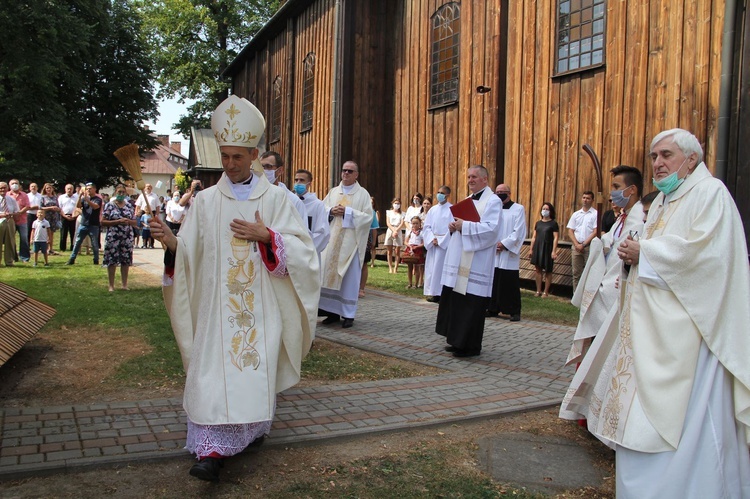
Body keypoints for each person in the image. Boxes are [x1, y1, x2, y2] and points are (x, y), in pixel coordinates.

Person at [560, 128, 750, 497]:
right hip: (650, 336)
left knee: (689, 430)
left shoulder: (711, 195)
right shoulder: (663, 202)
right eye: (654, 157)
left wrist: (644, 254)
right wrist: (635, 258)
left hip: (693, 340)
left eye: (666, 155)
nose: (658, 163)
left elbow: (708, 260)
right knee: (638, 428)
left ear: (691, 159)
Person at [149, 94, 318, 482]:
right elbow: (192, 253)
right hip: (215, 311)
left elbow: (304, 253)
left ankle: (250, 429)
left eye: (237, 157)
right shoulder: (206, 201)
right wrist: (171, 243)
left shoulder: (278, 199)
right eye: (224, 156)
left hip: (261, 308)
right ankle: (210, 451)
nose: (229, 164)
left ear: (254, 154)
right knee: (210, 376)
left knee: (250, 374)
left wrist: (268, 236)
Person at [566, 165, 644, 366]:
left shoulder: (640, 221)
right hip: (604, 286)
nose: (613, 193)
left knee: (609, 350)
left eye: (617, 187)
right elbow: (608, 242)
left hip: (616, 289)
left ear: (632, 190)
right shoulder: (622, 219)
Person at [436, 165, 502, 357]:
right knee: (458, 300)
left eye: (474, 177)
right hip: (460, 259)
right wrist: (453, 226)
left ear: (485, 179)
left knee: (471, 303)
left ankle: (470, 346)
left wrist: (464, 225)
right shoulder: (466, 200)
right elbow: (462, 223)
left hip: (477, 261)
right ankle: (457, 341)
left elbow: (491, 230)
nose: (470, 180)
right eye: (469, 177)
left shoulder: (493, 201)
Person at [319, 161, 373, 329]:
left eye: (350, 171)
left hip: (351, 245)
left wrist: (348, 212)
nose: (346, 173)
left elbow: (367, 218)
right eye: (344, 170)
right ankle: (331, 312)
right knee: (328, 275)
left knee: (349, 279)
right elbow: (321, 208)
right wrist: (330, 211)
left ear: (356, 174)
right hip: (332, 241)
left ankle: (348, 314)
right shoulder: (334, 191)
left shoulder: (363, 194)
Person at [486, 184, 527, 322]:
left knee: (509, 282)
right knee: (494, 280)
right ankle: (492, 308)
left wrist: (504, 244)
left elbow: (519, 230)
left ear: (509, 193)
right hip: (494, 250)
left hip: (508, 251)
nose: (500, 194)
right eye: (497, 192)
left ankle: (513, 311)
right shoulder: (492, 210)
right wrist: (493, 244)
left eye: (502, 192)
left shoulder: (518, 209)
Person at [101, 185, 136, 291]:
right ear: (115, 193)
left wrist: (128, 221)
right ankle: (111, 285)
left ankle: (124, 284)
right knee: (112, 260)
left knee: (126, 260)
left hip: (127, 236)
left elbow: (135, 222)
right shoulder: (109, 206)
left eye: (123, 192)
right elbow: (103, 222)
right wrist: (117, 221)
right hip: (113, 236)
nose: (121, 194)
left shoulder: (129, 206)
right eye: (119, 192)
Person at [260, 151, 308, 224]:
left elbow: (302, 232)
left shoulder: (293, 201)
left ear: (279, 171)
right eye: (260, 167)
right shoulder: (251, 195)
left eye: (268, 167)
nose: (263, 170)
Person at [423, 186, 452, 302]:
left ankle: (442, 294)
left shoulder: (451, 209)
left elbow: (452, 228)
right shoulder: (433, 210)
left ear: (447, 195)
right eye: (438, 192)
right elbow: (427, 226)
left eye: (442, 193)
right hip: (433, 241)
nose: (439, 195)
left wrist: (440, 241)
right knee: (431, 268)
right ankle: (433, 292)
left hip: (443, 244)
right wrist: (431, 239)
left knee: (441, 269)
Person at [292, 169, 330, 259]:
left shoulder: (317, 205)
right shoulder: (289, 201)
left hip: (309, 253)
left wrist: (306, 248)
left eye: (302, 180)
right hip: (290, 251)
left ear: (309, 183)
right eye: (296, 180)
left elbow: (323, 232)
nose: (298, 183)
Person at [566, 191, 597, 291]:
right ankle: (576, 295)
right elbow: (570, 230)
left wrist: (583, 244)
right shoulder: (576, 214)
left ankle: (585, 296)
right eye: (584, 197)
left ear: (592, 200)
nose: (585, 200)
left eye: (588, 198)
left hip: (588, 246)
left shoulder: (595, 214)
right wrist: (576, 244)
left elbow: (595, 231)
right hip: (576, 247)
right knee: (576, 273)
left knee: (588, 272)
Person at [66, 182, 102, 265]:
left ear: (94, 189)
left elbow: (95, 206)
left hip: (93, 225)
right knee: (78, 242)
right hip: (84, 223)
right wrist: (79, 196)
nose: (88, 190)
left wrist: (87, 200)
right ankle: (72, 259)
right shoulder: (84, 198)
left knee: (94, 244)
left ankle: (96, 260)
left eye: (90, 189)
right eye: (87, 189)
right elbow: (78, 206)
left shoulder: (98, 199)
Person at [529, 202, 559, 297]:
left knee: (548, 270)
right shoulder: (538, 223)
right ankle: (538, 290)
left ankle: (546, 291)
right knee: (538, 269)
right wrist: (531, 249)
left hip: (548, 247)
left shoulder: (553, 223)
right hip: (538, 247)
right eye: (543, 209)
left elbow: (556, 238)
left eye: (547, 209)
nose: (545, 211)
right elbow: (534, 237)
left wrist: (554, 251)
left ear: (550, 211)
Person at [359, 196, 380, 297]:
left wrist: (374, 241)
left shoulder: (371, 212)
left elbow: (374, 228)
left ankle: (361, 288)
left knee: (363, 264)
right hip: (352, 240)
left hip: (365, 240)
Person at [8, 179, 30, 262]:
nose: (14, 185)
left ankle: (24, 257)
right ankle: (13, 257)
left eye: (16, 183)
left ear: (19, 184)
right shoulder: (7, 195)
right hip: (10, 220)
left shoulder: (24, 195)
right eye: (12, 183)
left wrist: (19, 213)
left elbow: (27, 206)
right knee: (11, 239)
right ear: (9, 186)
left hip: (22, 220)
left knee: (24, 239)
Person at [403, 216, 425, 288]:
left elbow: (424, 243)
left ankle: (416, 284)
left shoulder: (422, 232)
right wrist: (409, 246)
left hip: (418, 249)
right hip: (410, 249)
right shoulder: (410, 232)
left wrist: (418, 246)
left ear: (420, 224)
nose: (415, 225)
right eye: (413, 223)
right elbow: (405, 241)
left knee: (417, 267)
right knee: (410, 266)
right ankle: (409, 283)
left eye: (416, 223)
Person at [0, 182, 19, 266]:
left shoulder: (11, 199)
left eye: (4, 188)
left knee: (10, 241)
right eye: (1, 188)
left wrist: (11, 214)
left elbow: (16, 211)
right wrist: (2, 215)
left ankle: (9, 261)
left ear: (7, 188)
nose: (2, 190)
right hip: (0, 220)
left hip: (9, 221)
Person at [384, 197, 404, 273]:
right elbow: (388, 223)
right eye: (395, 203)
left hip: (398, 230)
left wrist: (396, 231)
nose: (396, 205)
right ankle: (390, 267)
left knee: (397, 251)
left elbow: (402, 223)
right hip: (390, 230)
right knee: (389, 251)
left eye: (398, 203)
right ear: (392, 204)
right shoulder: (389, 212)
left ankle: (396, 267)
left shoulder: (402, 213)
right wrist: (393, 230)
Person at [40, 183, 61, 255]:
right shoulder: (43, 197)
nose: (48, 189)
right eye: (47, 188)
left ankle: (51, 248)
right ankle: (44, 248)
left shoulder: (55, 197)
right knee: (45, 233)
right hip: (46, 216)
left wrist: (57, 209)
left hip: (54, 217)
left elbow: (58, 207)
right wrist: (50, 208)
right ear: (45, 189)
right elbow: (40, 207)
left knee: (51, 233)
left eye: (50, 188)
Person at [57, 183, 77, 252]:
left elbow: (79, 207)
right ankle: (62, 248)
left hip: (74, 216)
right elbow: (59, 208)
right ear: (65, 189)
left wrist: (74, 215)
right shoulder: (61, 197)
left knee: (73, 233)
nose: (69, 190)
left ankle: (73, 247)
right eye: (68, 189)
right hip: (64, 216)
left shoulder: (76, 197)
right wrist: (65, 216)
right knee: (63, 233)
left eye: (71, 189)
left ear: (73, 190)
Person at [26, 183, 42, 248]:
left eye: (35, 186)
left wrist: (37, 207)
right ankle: (27, 245)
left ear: (37, 188)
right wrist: (33, 207)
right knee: (28, 230)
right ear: (29, 188)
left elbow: (41, 206)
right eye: (32, 186)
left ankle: (38, 246)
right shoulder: (27, 196)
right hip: (29, 214)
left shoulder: (41, 196)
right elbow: (26, 206)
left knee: (38, 230)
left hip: (38, 215)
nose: (33, 188)